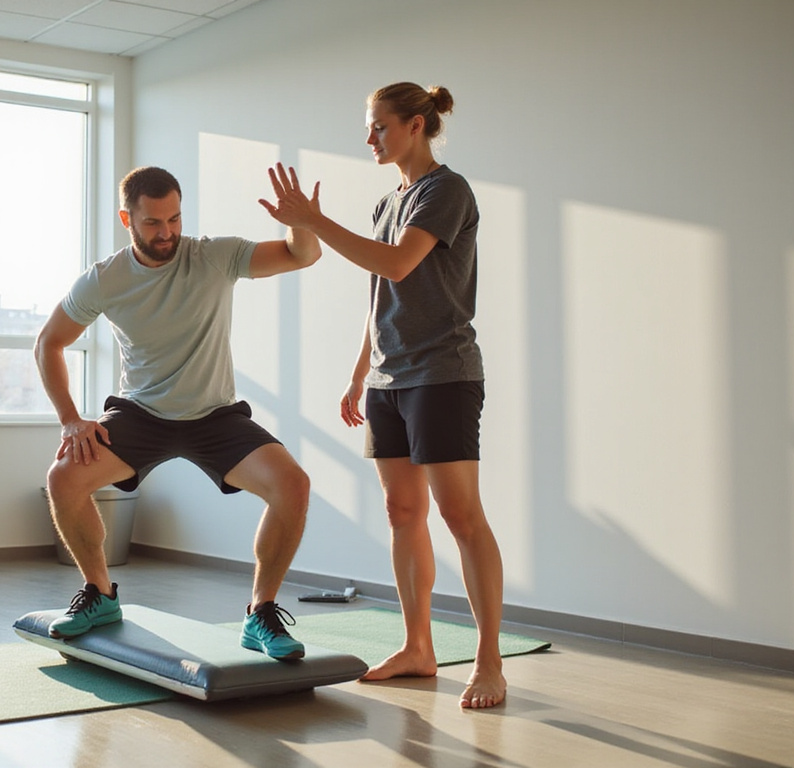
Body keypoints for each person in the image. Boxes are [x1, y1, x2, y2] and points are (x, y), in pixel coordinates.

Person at [259, 83, 507, 707]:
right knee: (403, 514)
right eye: (368, 129)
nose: (369, 138)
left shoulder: (445, 191)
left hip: (443, 375)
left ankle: (488, 662)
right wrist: (358, 371)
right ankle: (418, 645)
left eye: (378, 127)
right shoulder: (387, 200)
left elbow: (399, 264)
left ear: (416, 125)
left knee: (461, 518)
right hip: (388, 381)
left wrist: (313, 222)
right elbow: (380, 295)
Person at [34, 165, 322, 660]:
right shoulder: (105, 279)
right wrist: (70, 418)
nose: (167, 233)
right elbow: (49, 343)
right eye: (153, 223)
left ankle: (261, 612)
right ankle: (100, 596)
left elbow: (303, 253)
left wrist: (300, 220)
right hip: (140, 413)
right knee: (64, 478)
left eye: (174, 219)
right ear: (127, 218)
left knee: (293, 485)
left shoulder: (214, 255)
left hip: (215, 415)